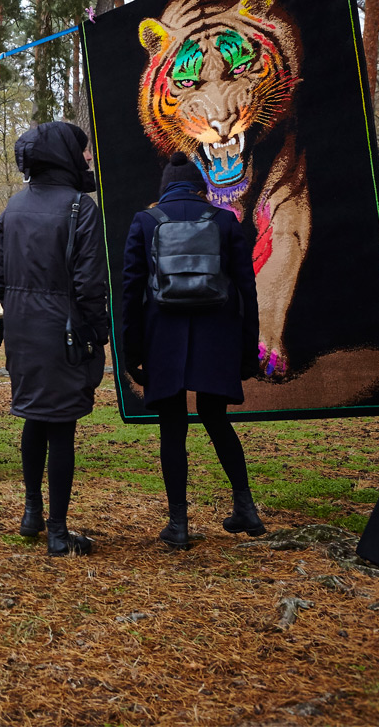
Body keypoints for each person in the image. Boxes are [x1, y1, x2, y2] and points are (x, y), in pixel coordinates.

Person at [121, 152, 265, 548]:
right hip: (217, 335)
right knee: (215, 417)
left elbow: (130, 293)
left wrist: (130, 351)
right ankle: (246, 508)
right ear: (202, 188)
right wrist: (247, 350)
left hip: (162, 337)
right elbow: (247, 291)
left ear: (165, 187)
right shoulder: (225, 221)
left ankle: (178, 523)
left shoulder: (145, 222)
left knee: (172, 426)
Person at [0, 121, 109, 557]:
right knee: (60, 427)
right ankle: (57, 532)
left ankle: (31, 513)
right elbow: (89, 284)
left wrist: (19, 317)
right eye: (83, 152)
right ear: (64, 155)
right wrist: (99, 333)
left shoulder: (13, 207)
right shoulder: (80, 207)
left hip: (22, 332)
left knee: (34, 419)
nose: (87, 159)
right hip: (64, 331)